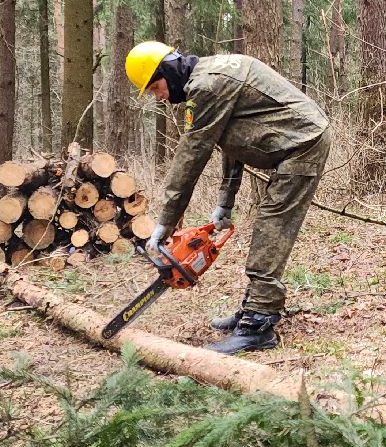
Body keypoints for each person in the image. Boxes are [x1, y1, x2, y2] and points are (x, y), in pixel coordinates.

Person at [125, 42, 332, 354]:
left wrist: (166, 221)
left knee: (271, 224)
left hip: (303, 143)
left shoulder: (206, 85)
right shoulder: (210, 77)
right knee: (268, 222)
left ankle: (259, 323)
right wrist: (226, 200)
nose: (160, 97)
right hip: (291, 140)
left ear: (168, 69)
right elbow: (234, 141)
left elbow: (193, 153)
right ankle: (254, 307)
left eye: (156, 87)